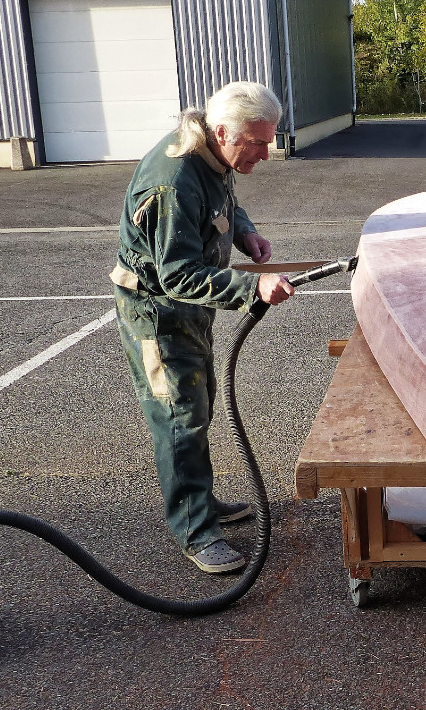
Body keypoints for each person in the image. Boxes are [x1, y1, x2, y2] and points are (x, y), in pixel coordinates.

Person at [111, 81, 295, 574]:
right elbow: (175, 275)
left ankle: (202, 503)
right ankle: (194, 530)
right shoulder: (174, 181)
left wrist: (245, 231)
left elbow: (224, 202)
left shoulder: (212, 155)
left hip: (189, 311)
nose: (266, 152)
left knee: (199, 403)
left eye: (269, 139)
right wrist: (249, 289)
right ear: (221, 131)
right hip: (158, 314)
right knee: (179, 419)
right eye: (256, 142)